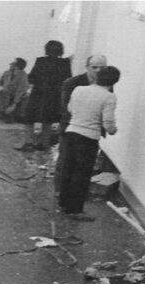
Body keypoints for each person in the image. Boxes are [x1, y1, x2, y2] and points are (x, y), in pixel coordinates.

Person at [57, 66, 120, 221]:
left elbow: (71, 108)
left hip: (71, 133)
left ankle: (64, 203)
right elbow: (108, 122)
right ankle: (75, 209)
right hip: (88, 138)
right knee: (82, 174)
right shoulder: (109, 97)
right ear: (114, 82)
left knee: (68, 168)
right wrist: (113, 130)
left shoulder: (79, 89)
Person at [54, 55, 109, 194]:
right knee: (65, 161)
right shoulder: (73, 83)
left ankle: (73, 194)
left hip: (92, 131)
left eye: (102, 68)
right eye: (94, 67)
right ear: (87, 67)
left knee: (83, 165)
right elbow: (67, 107)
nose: (98, 70)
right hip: (72, 128)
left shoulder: (107, 85)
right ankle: (60, 191)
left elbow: (105, 108)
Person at [16, 40, 72, 152]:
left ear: (46, 49)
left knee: (29, 119)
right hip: (54, 96)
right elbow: (68, 79)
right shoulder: (65, 63)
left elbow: (32, 77)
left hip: (39, 94)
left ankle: (29, 143)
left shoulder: (41, 61)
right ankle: (43, 144)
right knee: (49, 120)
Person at [0, 58, 29, 123]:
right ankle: (5, 113)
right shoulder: (6, 72)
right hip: (4, 93)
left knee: (3, 92)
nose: (10, 64)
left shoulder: (23, 76)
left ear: (17, 66)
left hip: (16, 96)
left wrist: (14, 104)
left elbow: (21, 91)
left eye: (12, 63)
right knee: (1, 91)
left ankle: (6, 114)